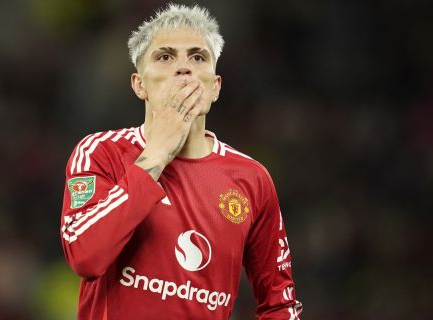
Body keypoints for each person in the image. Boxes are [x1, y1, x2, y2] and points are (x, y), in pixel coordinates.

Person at [60, 3, 302, 319]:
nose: (183, 68)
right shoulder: (100, 153)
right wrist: (157, 155)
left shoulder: (251, 179)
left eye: (198, 57)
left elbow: (279, 305)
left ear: (215, 87)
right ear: (139, 84)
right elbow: (86, 256)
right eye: (164, 57)